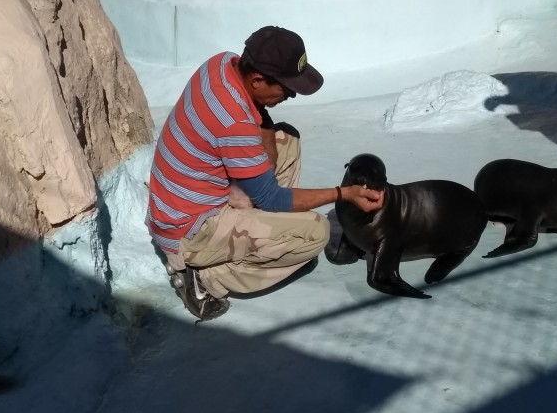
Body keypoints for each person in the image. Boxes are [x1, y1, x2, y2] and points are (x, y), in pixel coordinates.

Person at [145, 26, 384, 320]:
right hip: (190, 227)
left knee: (287, 140)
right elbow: (272, 197)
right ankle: (205, 277)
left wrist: (265, 149)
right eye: (286, 87)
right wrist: (342, 194)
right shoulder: (234, 124)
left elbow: (258, 122)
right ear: (257, 79)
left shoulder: (222, 63)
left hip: (182, 196)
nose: (293, 94)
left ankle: (253, 224)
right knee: (315, 233)